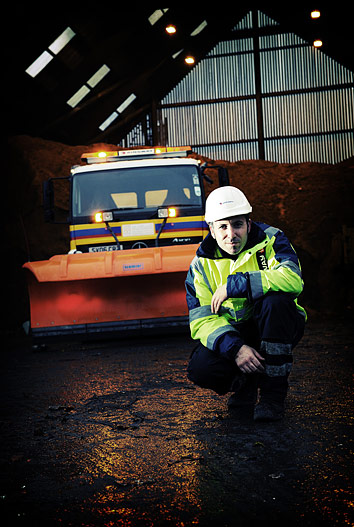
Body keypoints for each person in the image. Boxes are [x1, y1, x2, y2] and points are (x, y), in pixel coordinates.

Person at [185, 186, 306, 421]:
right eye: (222, 226)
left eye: (237, 224)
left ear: (249, 224)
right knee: (200, 368)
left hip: (277, 325)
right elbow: (201, 321)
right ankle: (245, 383)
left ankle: (273, 396)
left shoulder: (272, 240)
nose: (231, 234)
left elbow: (293, 279)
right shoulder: (200, 265)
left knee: (276, 302)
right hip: (237, 334)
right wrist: (236, 348)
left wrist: (237, 284)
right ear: (211, 229)